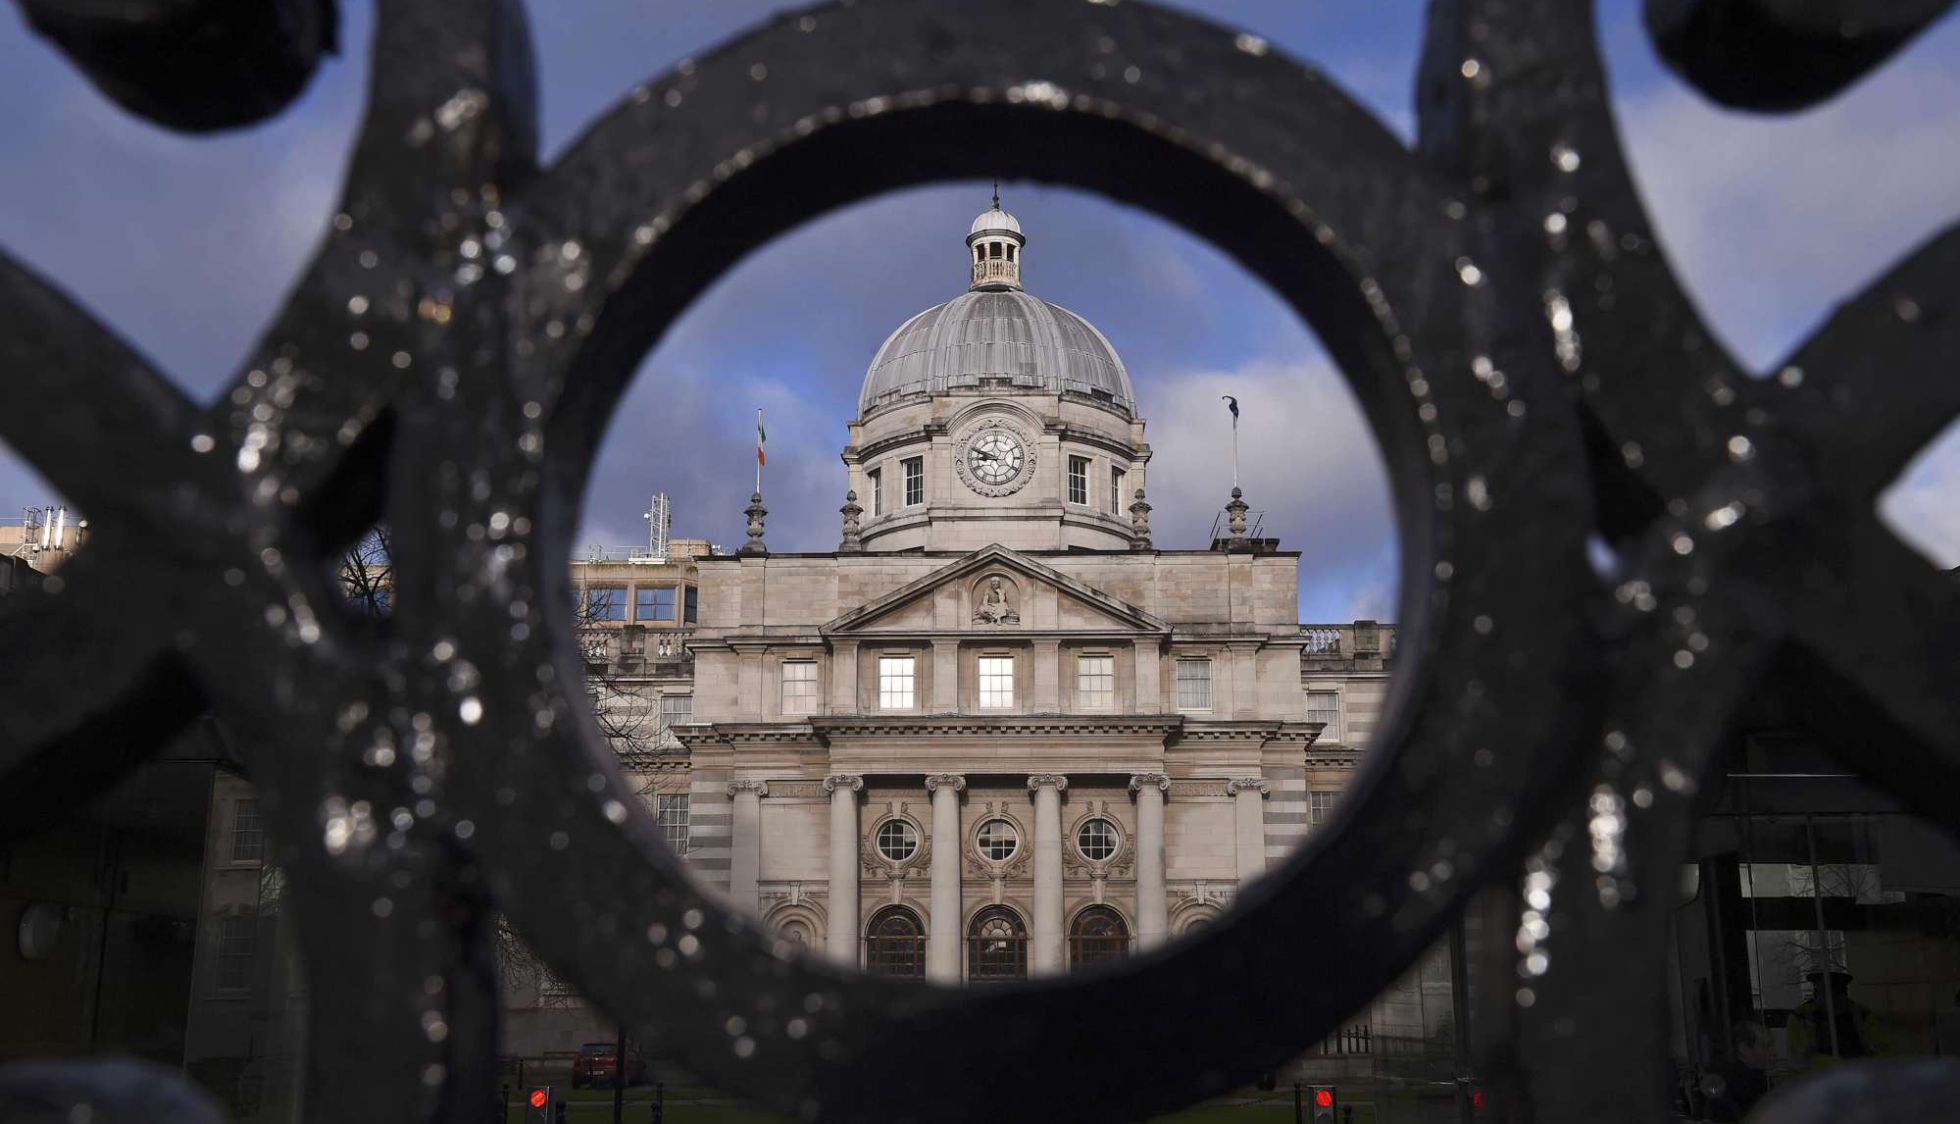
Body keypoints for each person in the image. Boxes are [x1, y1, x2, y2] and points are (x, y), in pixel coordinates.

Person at [1699, 1021, 1771, 1122]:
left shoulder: (1756, 1078)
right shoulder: (1746, 1084)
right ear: (1744, 1049)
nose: (1773, 1052)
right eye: (1765, 1046)